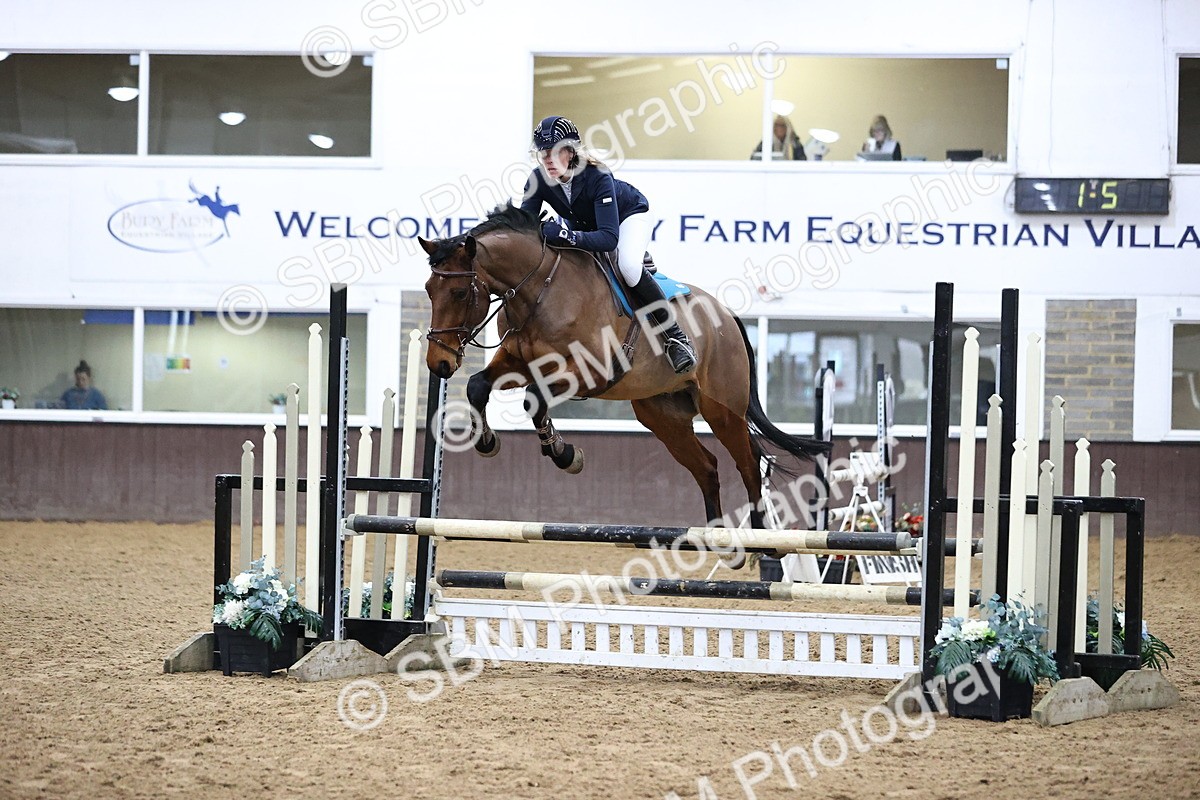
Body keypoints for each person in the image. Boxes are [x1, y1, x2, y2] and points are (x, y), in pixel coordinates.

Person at [520, 115, 696, 374]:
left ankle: (676, 338)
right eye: (543, 153)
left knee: (628, 267)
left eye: (555, 152)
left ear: (570, 152)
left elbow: (608, 238)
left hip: (628, 217)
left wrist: (566, 236)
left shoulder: (597, 176)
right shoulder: (538, 179)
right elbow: (525, 225)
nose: (548, 159)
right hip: (587, 225)